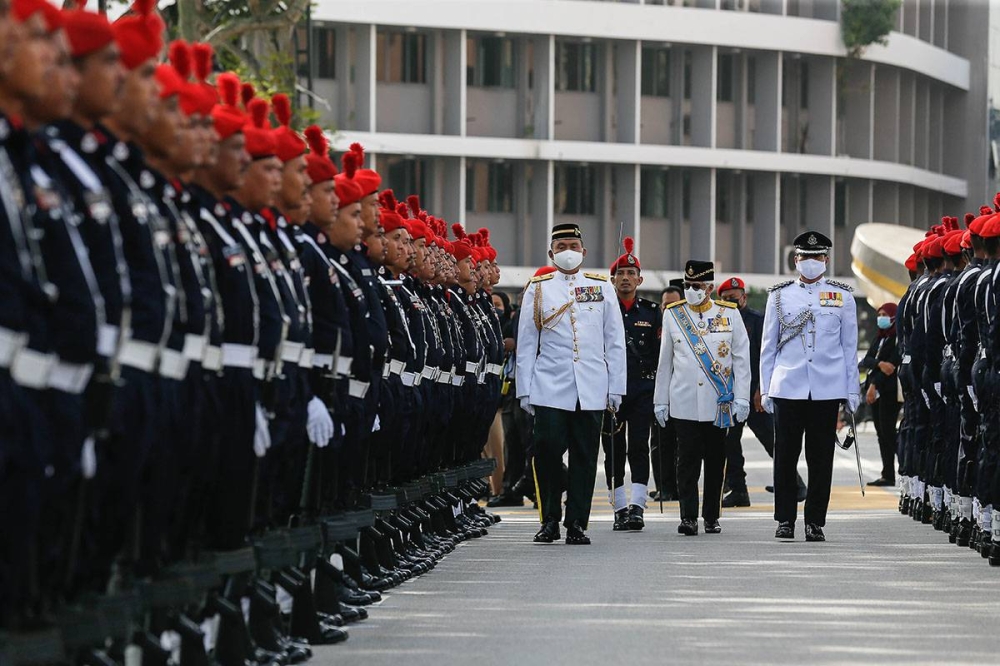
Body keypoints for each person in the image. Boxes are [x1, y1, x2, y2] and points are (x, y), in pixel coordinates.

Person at [516, 222, 626, 545]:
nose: (567, 252)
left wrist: (615, 387)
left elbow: (614, 340)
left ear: (584, 252)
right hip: (550, 385)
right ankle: (549, 518)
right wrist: (524, 388)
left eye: (573, 246)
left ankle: (576, 522)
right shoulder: (539, 288)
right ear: (551, 253)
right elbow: (526, 342)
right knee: (547, 450)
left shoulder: (602, 286)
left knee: (585, 457)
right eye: (561, 247)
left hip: (591, 386)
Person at [761, 230, 860, 542]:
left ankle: (815, 520)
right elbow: (768, 347)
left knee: (820, 459)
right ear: (796, 260)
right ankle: (785, 519)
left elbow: (849, 348)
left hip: (826, 388)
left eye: (817, 257)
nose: (811, 262)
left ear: (826, 260)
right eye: (805, 257)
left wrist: (852, 391)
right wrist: (766, 388)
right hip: (788, 386)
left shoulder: (843, 297)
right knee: (786, 457)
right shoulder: (778, 296)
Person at [654, 260, 751, 536]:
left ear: (709, 287)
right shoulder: (673, 315)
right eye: (688, 285)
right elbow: (665, 363)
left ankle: (711, 516)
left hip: (717, 402)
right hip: (683, 401)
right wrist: (660, 401)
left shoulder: (729, 314)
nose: (692, 290)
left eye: (697, 286)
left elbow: (742, 360)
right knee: (686, 461)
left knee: (715, 461)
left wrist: (742, 398)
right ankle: (687, 517)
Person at [717, 276, 807, 508]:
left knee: (773, 441)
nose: (731, 303)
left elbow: (766, 356)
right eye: (726, 300)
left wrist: (761, 389)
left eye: (734, 299)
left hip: (755, 394)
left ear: (744, 297)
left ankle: (794, 484)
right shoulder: (719, 323)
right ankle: (738, 489)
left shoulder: (757, 320)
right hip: (731, 394)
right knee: (730, 444)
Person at [602, 237, 659, 531]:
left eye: (630, 274)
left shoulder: (652, 312)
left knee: (638, 447)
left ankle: (637, 505)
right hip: (609, 391)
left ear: (640, 279)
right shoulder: (602, 308)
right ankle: (619, 506)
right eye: (620, 274)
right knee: (613, 451)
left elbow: (661, 355)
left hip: (641, 390)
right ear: (612, 279)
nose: (625, 278)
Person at [859, 303, 901, 487]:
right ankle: (888, 473)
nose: (881, 318)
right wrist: (878, 363)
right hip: (875, 393)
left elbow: (891, 367)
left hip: (888, 392)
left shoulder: (897, 338)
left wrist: (875, 383)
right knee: (881, 434)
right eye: (880, 314)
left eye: (885, 314)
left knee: (888, 432)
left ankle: (908, 467)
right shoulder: (879, 338)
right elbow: (866, 360)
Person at [650, 283, 683, 503]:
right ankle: (663, 486)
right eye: (665, 305)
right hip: (659, 391)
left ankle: (680, 486)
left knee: (683, 444)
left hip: (683, 391)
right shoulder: (654, 325)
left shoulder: (691, 327)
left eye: (674, 304)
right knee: (660, 442)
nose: (669, 309)